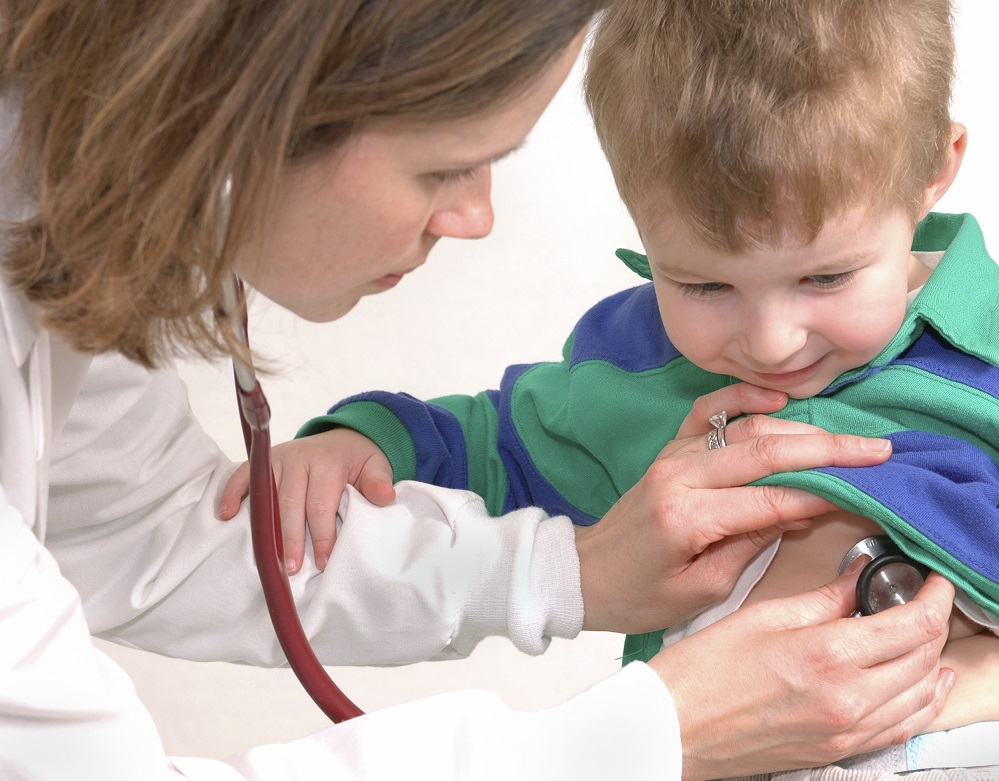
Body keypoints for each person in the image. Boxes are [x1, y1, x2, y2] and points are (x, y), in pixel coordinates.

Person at [0, 1, 957, 779]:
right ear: (242, 106)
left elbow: (141, 529)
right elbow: (498, 433)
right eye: (447, 165)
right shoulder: (641, 365)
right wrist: (657, 733)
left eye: (823, 279)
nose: (477, 216)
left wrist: (566, 573)